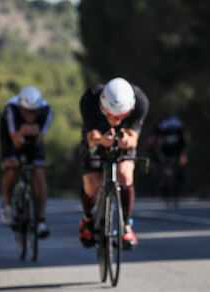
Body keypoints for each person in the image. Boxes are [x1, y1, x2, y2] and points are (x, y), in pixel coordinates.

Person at [78, 77, 149, 249]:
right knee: (92, 184)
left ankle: (125, 225)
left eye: (120, 118)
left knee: (125, 175)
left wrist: (127, 142)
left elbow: (134, 138)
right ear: (102, 107)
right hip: (98, 138)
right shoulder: (90, 98)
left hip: (123, 140)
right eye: (109, 116)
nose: (114, 121)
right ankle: (88, 218)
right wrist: (102, 140)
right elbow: (91, 138)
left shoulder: (140, 101)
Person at [0, 86, 53, 238]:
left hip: (33, 139)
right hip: (11, 136)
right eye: (27, 112)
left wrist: (36, 135)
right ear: (21, 108)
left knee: (38, 172)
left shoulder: (47, 111)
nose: (30, 116)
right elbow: (15, 141)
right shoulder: (11, 109)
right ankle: (7, 204)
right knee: (12, 169)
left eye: (34, 112)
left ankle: (41, 220)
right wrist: (22, 132)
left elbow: (39, 141)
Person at [146, 115, 188, 205]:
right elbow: (154, 145)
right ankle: (164, 191)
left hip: (175, 152)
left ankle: (177, 193)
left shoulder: (177, 127)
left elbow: (183, 142)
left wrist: (183, 155)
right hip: (164, 152)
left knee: (179, 173)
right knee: (163, 173)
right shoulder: (161, 128)